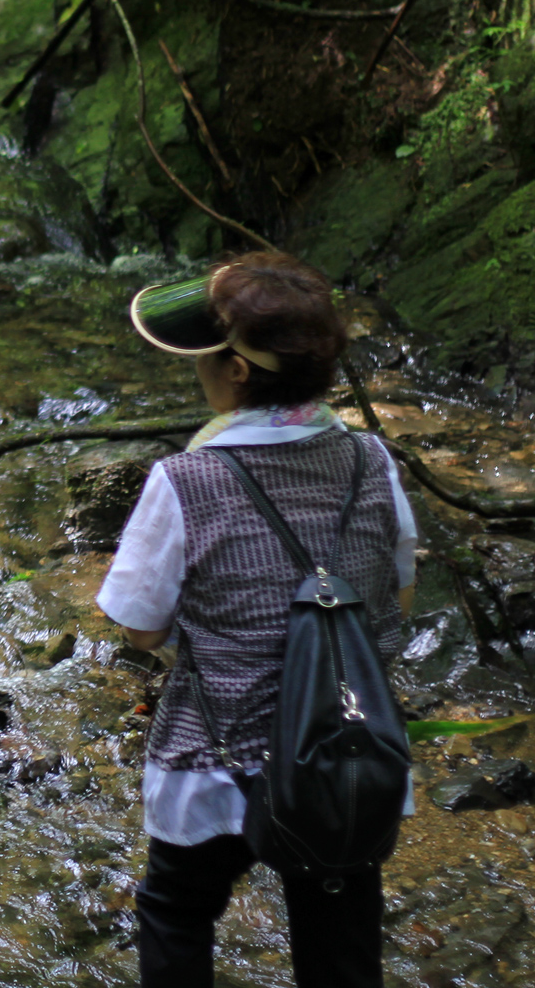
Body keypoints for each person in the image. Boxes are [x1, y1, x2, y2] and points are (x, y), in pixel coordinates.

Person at [98, 252, 417, 988]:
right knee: (340, 936)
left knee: (176, 911)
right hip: (347, 756)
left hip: (216, 760)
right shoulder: (372, 460)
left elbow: (139, 628)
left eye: (206, 356)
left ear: (237, 373)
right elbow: (395, 596)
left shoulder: (187, 479)